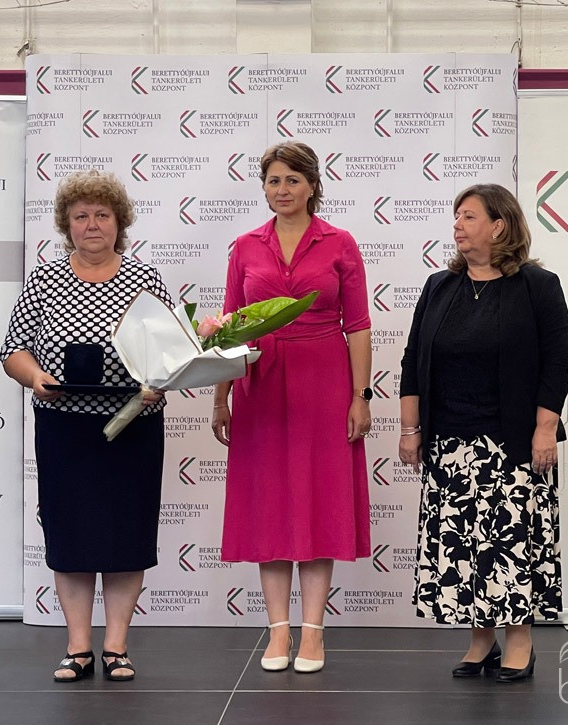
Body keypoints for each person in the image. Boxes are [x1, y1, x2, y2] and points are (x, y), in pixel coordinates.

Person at [0, 170, 170, 683]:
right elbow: (13, 350)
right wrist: (35, 377)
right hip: (64, 428)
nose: (92, 224)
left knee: (126, 534)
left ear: (119, 222)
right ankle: (77, 646)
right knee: (71, 534)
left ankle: (116, 646)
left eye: (102, 215)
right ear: (66, 224)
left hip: (133, 425)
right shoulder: (44, 278)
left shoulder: (145, 278)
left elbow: (170, 352)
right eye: (81, 216)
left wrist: (159, 380)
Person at [399, 183, 568, 682]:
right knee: (463, 548)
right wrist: (410, 428)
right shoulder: (439, 286)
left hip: (512, 442)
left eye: (468, 216)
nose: (457, 225)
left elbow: (557, 362)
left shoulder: (538, 286)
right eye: (456, 216)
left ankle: (519, 641)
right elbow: (413, 360)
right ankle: (480, 639)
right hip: (449, 442)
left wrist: (545, 429)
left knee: (510, 544)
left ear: (499, 226)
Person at [212, 141, 371, 674]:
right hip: (259, 387)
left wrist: (360, 396)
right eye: (273, 181)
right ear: (264, 188)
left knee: (319, 503)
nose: (282, 190)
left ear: (312, 186)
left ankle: (313, 632)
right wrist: (220, 396)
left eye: (292, 180)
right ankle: (278, 630)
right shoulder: (244, 246)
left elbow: (358, 326)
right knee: (269, 506)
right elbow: (230, 327)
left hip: (324, 383)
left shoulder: (340, 243)